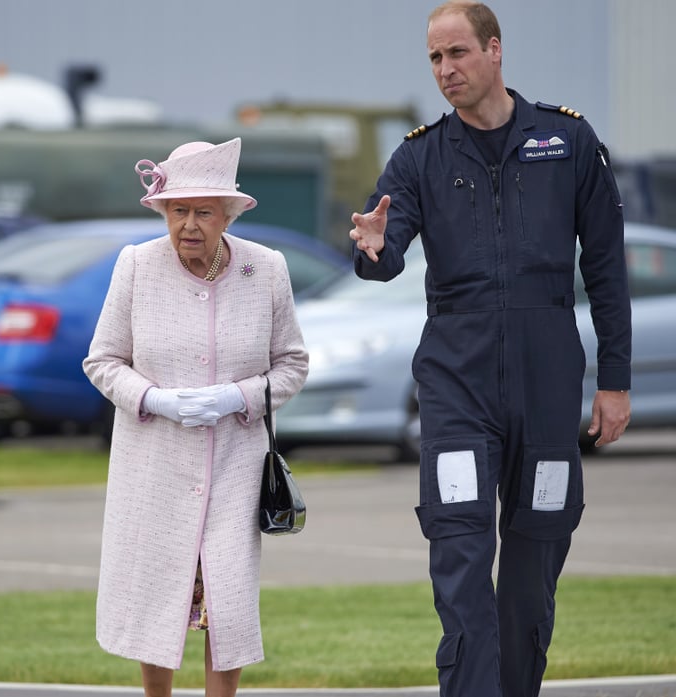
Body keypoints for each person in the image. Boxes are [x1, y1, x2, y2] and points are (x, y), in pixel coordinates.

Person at [348, 3, 631, 696]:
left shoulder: (566, 143)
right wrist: (374, 250)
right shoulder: (419, 157)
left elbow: (607, 267)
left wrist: (614, 380)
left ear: (495, 50)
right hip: (457, 389)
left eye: (458, 54)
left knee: (533, 575)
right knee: (462, 558)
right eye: (434, 59)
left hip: (547, 388)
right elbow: (384, 252)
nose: (446, 70)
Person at [83, 137, 308, 697]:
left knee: (226, 602)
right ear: (162, 209)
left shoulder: (267, 269)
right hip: (154, 467)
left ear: (227, 214)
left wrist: (240, 397)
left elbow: (292, 365)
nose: (188, 225)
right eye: (178, 210)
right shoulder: (136, 265)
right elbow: (102, 360)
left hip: (235, 466)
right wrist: (155, 400)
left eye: (203, 211)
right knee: (158, 596)